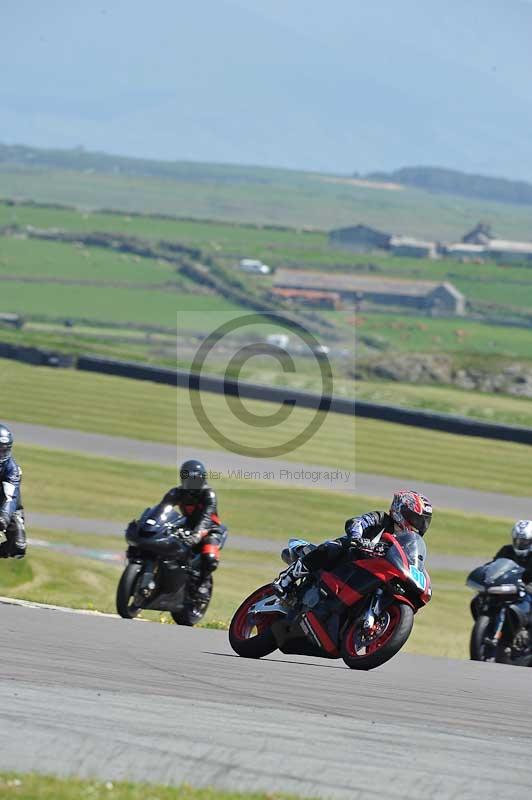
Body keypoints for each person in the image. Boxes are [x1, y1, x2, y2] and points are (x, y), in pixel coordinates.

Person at [273, 489, 432, 598]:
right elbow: (357, 522)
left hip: (370, 574)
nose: (417, 526)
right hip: (350, 558)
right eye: (415, 519)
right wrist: (357, 537)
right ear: (400, 510)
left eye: (422, 522)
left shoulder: (407, 542)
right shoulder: (381, 518)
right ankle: (286, 579)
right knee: (333, 547)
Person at [159, 459, 227, 598]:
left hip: (211, 530)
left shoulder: (208, 494)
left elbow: (206, 518)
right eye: (188, 479)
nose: (191, 483)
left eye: (195, 479)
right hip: (187, 527)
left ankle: (203, 583)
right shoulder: (177, 492)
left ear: (202, 478)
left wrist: (197, 535)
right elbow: (161, 510)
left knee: (209, 557)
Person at [0, 424, 26, 560]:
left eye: (3, 450)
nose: (1, 454)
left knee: (18, 546)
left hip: (8, 506)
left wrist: (3, 517)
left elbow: (10, 498)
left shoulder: (13, 470)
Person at [492, 520, 532, 586]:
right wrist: (484, 571)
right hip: (505, 588)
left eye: (524, 541)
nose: (520, 543)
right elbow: (493, 565)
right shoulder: (506, 550)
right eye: (517, 540)